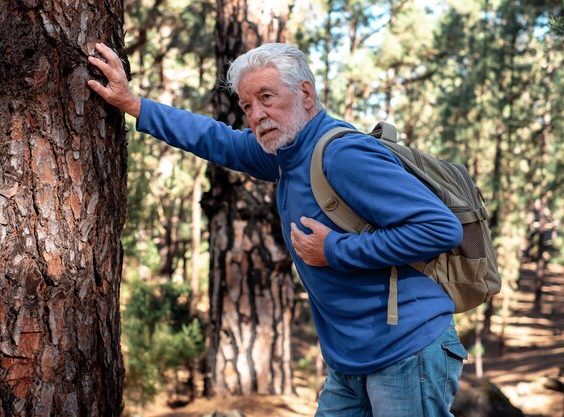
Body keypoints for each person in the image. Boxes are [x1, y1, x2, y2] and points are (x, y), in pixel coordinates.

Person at [88, 42, 468, 417]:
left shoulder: (342, 155)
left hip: (407, 351)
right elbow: (213, 138)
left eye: (267, 97)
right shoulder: (287, 154)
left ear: (305, 93)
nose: (257, 115)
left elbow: (439, 228)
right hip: (352, 359)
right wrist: (132, 105)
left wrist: (335, 250)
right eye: (248, 105)